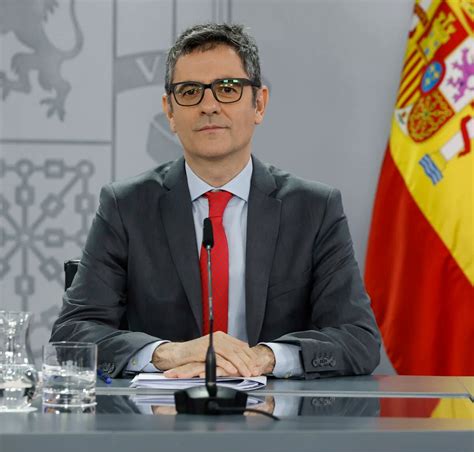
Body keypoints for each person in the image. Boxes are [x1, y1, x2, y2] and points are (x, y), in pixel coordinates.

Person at [51, 23, 380, 379]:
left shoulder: (314, 209)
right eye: (190, 91)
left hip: (277, 424)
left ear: (260, 104)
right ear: (170, 111)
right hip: (158, 422)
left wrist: (265, 358)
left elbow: (358, 338)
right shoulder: (126, 206)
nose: (209, 105)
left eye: (227, 89)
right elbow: (73, 333)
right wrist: (169, 354)